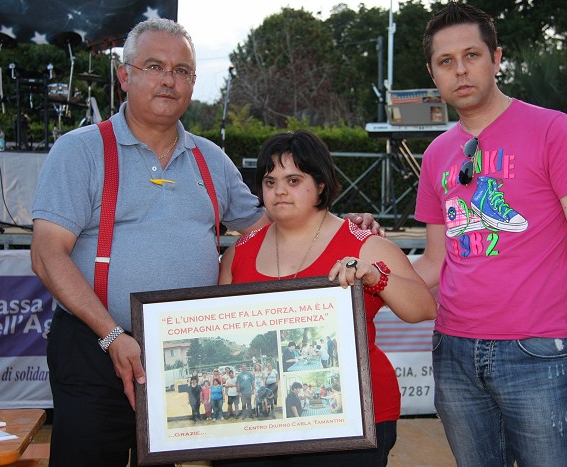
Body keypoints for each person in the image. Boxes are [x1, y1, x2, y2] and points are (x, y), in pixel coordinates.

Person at [29, 17, 380, 467]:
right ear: (124, 76)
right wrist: (112, 335)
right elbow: (46, 254)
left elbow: (276, 225)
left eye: (181, 71)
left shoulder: (211, 159)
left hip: (179, 357)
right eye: (154, 66)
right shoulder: (80, 150)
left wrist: (338, 224)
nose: (168, 80)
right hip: (97, 347)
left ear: (192, 83)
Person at [413, 3, 567, 465]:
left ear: (497, 57)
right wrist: (367, 268)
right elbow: (434, 262)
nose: (460, 70)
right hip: (454, 352)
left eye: (472, 55)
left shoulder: (552, 130)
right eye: (446, 61)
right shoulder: (436, 154)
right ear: (432, 73)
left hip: (536, 354)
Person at [216, 129, 437, 466]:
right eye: (270, 182)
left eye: (293, 180)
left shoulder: (366, 244)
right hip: (262, 423)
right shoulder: (240, 252)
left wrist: (376, 277)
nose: (279, 191)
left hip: (355, 418)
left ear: (320, 184)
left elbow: (422, 308)